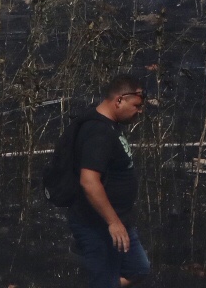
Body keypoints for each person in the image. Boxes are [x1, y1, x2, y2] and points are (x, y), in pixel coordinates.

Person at [61, 73, 151, 288]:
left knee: (138, 268)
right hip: (97, 224)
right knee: (105, 281)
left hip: (119, 221)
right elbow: (89, 181)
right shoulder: (97, 132)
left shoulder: (111, 126)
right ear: (119, 100)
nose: (140, 112)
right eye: (136, 106)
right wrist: (113, 222)